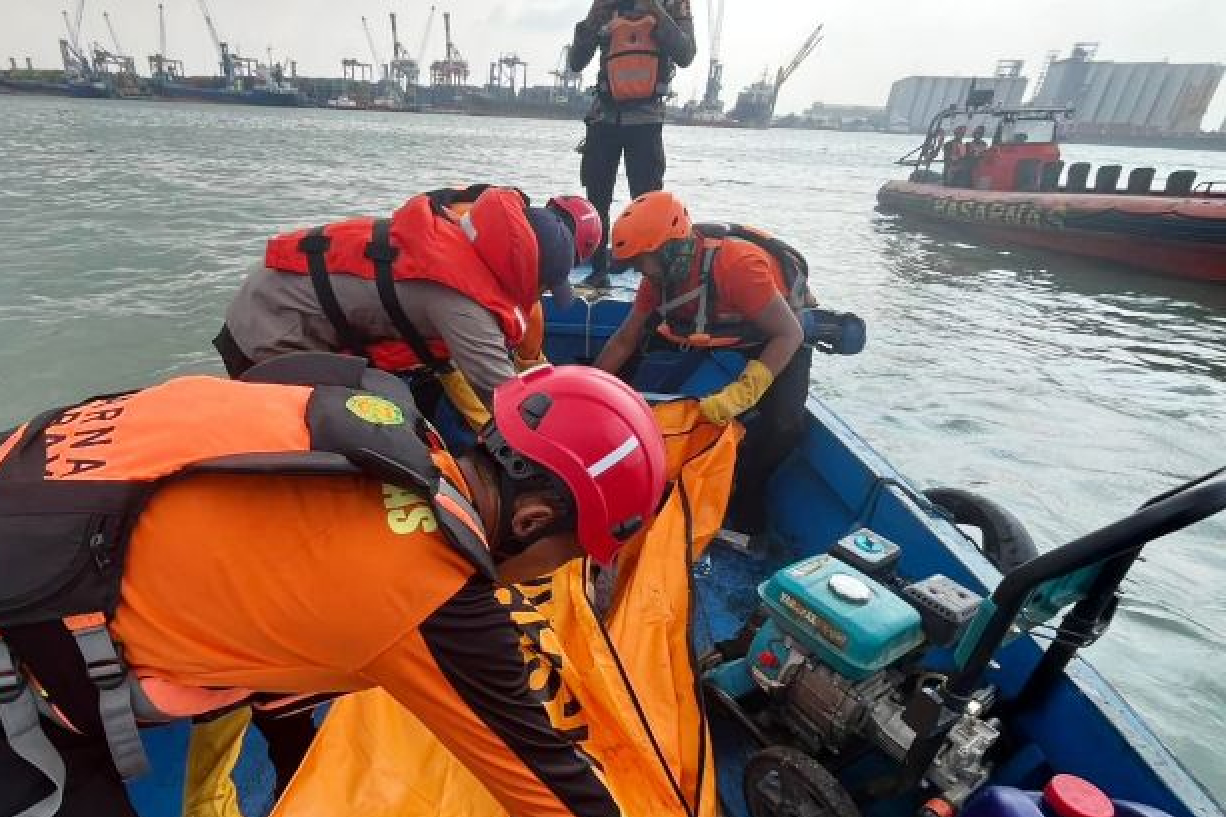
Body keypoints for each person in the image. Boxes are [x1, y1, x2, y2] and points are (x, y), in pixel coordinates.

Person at [0, 356, 668, 817]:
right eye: (568, 557)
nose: (559, 575)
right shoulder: (433, 594)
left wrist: (206, 795)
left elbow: (243, 629)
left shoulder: (352, 404)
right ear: (534, 518)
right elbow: (568, 811)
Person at [213, 186, 602, 433]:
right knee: (340, 430)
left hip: (273, 296)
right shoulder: (464, 307)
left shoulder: (456, 233)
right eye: (544, 287)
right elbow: (511, 407)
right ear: (526, 272)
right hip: (271, 327)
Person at [594, 191, 835, 544]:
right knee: (631, 359)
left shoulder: (738, 266)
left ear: (671, 250)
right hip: (709, 329)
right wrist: (593, 384)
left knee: (783, 424)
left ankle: (744, 503)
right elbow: (624, 340)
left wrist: (743, 391)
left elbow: (789, 333)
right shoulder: (656, 282)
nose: (639, 272)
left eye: (643, 261)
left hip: (774, 335)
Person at [569, 0, 696, 288]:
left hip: (646, 120)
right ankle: (598, 268)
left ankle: (650, 277)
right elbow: (576, 61)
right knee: (596, 197)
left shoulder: (674, 4)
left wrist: (655, 10)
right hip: (604, 118)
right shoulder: (606, 5)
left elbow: (686, 54)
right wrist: (592, 19)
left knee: (649, 201)